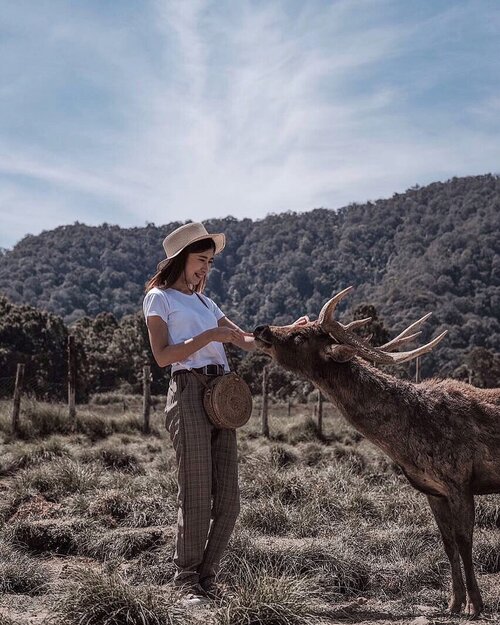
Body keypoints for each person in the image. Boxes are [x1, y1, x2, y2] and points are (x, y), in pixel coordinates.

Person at [143, 221, 309, 607]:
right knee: (197, 493)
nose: (206, 269)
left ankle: (206, 576)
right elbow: (163, 356)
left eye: (210, 262)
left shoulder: (206, 304)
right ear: (180, 259)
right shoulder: (159, 299)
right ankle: (185, 581)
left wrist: (288, 332)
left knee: (230, 500)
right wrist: (207, 338)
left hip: (222, 396)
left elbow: (246, 342)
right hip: (187, 391)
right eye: (201, 260)